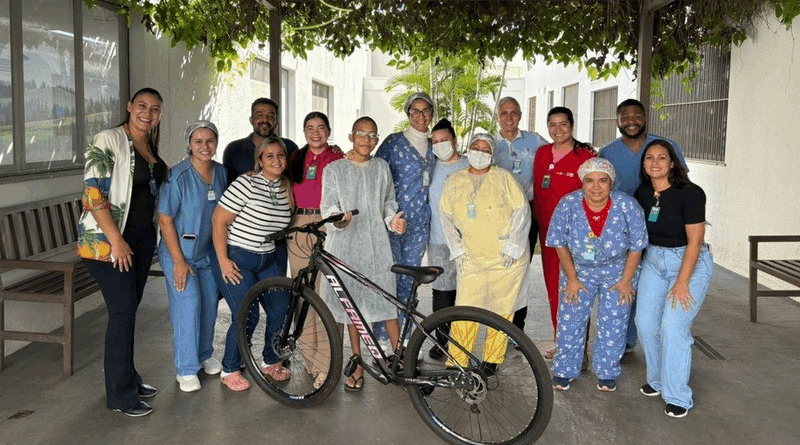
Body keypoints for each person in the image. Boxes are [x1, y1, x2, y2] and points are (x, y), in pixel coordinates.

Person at [77, 87, 168, 417]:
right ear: (130, 107)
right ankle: (119, 394)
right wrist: (116, 239)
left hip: (141, 242)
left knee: (128, 311)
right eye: (142, 105)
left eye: (155, 109)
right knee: (122, 312)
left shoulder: (147, 146)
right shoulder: (109, 139)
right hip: (109, 242)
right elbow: (93, 195)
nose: (148, 112)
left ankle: (128, 377)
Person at [319, 116, 407, 391]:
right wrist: (339, 219)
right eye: (361, 133)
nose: (366, 140)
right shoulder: (334, 170)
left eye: (371, 135)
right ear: (351, 136)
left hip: (378, 246)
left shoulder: (382, 167)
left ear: (377, 140)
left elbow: (388, 203)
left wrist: (393, 221)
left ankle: (400, 360)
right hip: (346, 247)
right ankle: (357, 364)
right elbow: (328, 205)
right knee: (352, 308)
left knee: (387, 303)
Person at [546, 158, 648, 392]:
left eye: (603, 180)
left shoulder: (627, 205)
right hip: (578, 271)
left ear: (611, 182)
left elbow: (637, 246)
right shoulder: (568, 204)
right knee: (570, 321)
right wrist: (571, 279)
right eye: (589, 181)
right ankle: (564, 369)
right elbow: (559, 243)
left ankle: (607, 371)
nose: (596, 187)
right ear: (582, 182)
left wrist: (625, 281)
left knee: (614, 323)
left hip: (618, 271)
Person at [599, 98, 690, 352]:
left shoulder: (666, 147)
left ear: (645, 119)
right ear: (617, 122)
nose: (631, 121)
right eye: (624, 117)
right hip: (622, 231)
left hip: (662, 231)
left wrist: (692, 228)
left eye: (636, 116)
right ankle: (624, 341)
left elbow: (684, 187)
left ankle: (661, 342)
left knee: (658, 287)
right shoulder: (607, 152)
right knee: (623, 284)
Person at [634, 139, 712, 419]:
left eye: (662, 158)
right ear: (644, 164)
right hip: (654, 262)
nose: (655, 163)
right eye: (650, 158)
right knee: (644, 323)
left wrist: (682, 282)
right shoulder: (642, 192)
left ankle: (678, 394)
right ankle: (657, 381)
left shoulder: (690, 193)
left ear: (673, 163)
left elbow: (695, 241)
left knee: (673, 327)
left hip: (688, 262)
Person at [439, 133, 530, 373]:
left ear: (492, 154)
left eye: (485, 149)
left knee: (501, 311)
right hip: (471, 257)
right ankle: (457, 360)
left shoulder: (504, 178)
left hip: (505, 259)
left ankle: (491, 361)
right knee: (465, 309)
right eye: (475, 147)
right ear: (469, 150)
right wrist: (457, 249)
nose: (480, 153)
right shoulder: (454, 180)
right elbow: (445, 218)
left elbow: (522, 212)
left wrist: (513, 246)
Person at [211, 137, 293, 392]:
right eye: (269, 156)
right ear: (259, 161)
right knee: (248, 313)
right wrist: (223, 260)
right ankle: (230, 368)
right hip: (237, 256)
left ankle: (270, 361)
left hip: (267, 256)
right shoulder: (246, 183)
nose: (276, 160)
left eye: (280, 155)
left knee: (281, 308)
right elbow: (218, 221)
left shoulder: (285, 187)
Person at [157, 121, 227, 392]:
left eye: (209, 141)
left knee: (210, 303)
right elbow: (164, 219)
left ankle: (204, 354)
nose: (204, 146)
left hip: (208, 252)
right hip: (179, 253)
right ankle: (185, 368)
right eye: (198, 141)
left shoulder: (220, 172)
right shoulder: (178, 175)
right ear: (189, 144)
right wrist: (178, 262)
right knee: (189, 304)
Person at [286, 111, 343, 389]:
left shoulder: (337, 157)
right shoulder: (295, 157)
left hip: (327, 225)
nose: (315, 132)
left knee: (326, 294)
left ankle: (327, 362)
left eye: (321, 127)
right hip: (299, 224)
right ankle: (311, 360)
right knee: (303, 293)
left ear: (329, 130)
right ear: (304, 131)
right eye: (310, 127)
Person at [533, 107, 596, 360]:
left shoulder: (586, 157)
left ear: (572, 125)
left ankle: (579, 351)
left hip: (577, 239)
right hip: (548, 236)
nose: (558, 129)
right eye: (552, 124)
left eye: (563, 124)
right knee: (554, 292)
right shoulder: (541, 154)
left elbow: (597, 194)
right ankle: (563, 342)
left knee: (576, 290)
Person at [375, 92, 436, 335]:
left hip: (419, 225)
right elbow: (375, 171)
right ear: (408, 114)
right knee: (390, 278)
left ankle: (407, 336)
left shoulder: (434, 145)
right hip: (391, 221)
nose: (420, 116)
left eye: (425, 111)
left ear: (431, 114)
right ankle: (385, 336)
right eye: (415, 111)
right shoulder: (393, 142)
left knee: (410, 281)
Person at [222, 98, 298, 289]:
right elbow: (227, 194)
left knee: (275, 294)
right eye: (260, 115)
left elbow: (298, 179)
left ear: (277, 121)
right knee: (243, 297)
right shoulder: (233, 149)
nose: (265, 119)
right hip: (244, 240)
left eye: (270, 116)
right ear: (251, 119)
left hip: (277, 238)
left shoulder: (290, 148)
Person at [493, 97, 549, 333]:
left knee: (521, 267)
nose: (509, 118)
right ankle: (497, 324)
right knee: (499, 269)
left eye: (513, 112)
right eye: (504, 113)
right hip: (495, 216)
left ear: (520, 114)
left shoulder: (534, 140)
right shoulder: (489, 143)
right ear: (497, 115)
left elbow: (557, 151)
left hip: (527, 211)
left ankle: (517, 328)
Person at [426, 118, 468, 360]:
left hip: (467, 241)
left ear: (454, 141)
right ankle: (442, 341)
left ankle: (461, 343)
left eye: (444, 140)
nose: (440, 145)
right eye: (435, 142)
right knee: (442, 293)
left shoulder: (469, 165)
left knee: (464, 293)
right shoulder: (430, 167)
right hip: (439, 240)